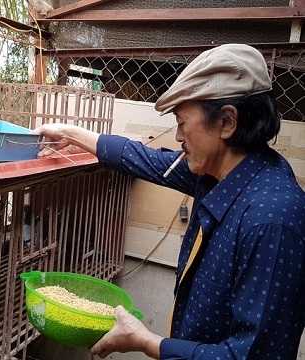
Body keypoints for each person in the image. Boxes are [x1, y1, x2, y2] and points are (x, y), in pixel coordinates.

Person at [34, 44, 305, 359]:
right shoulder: (223, 173)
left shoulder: (273, 221)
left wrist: (147, 342)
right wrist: (69, 134)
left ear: (227, 122)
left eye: (181, 122)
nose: (177, 137)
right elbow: (146, 159)